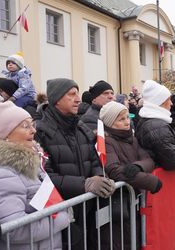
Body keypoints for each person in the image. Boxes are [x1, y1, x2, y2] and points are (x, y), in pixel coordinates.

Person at [35, 78, 115, 249]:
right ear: (57, 99)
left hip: (87, 208)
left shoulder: (80, 127)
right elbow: (44, 176)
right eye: (72, 94)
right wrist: (84, 184)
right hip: (62, 213)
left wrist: (99, 178)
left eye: (77, 93)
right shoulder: (40, 132)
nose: (78, 99)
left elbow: (95, 159)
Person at [0, 102, 69, 249]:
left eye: (32, 124)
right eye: (25, 126)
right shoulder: (1, 171)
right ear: (6, 134)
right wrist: (61, 218)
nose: (33, 130)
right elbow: (15, 229)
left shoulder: (31, 162)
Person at [99, 101, 162, 249]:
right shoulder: (108, 142)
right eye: (121, 119)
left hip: (135, 198)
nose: (127, 122)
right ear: (110, 123)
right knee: (124, 240)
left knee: (137, 237)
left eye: (127, 117)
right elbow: (114, 170)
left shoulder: (132, 139)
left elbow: (148, 160)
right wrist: (150, 181)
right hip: (120, 201)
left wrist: (137, 166)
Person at [136, 80, 175, 171]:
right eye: (169, 99)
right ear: (161, 101)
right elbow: (172, 161)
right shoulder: (157, 126)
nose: (171, 103)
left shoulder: (152, 121)